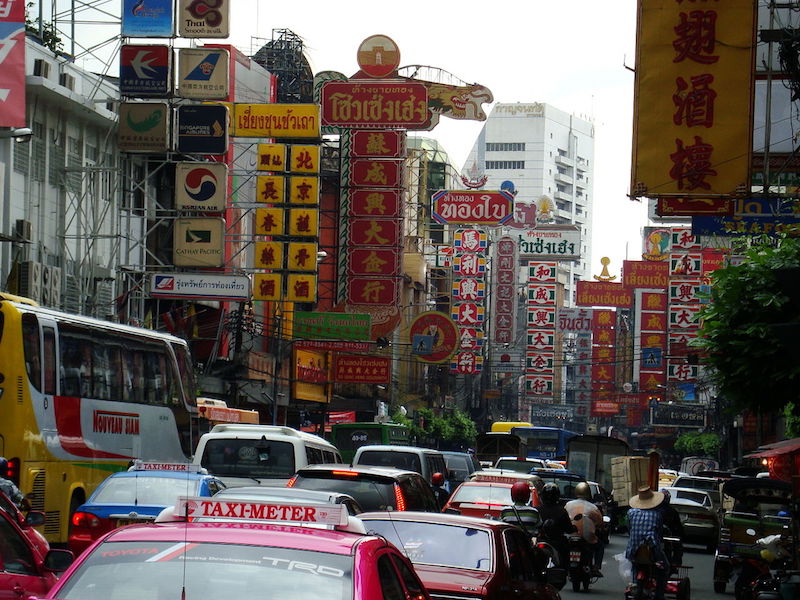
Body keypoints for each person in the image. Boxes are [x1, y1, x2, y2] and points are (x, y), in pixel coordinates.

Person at [626, 485, 668, 600]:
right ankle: (659, 595)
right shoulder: (657, 514)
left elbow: (629, 530)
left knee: (634, 564)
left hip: (633, 550)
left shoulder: (630, 513)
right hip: (652, 550)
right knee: (664, 568)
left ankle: (634, 583)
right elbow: (659, 533)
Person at [565, 481, 605, 577]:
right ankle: (596, 567)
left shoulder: (568, 505)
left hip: (569, 536)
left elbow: (564, 518)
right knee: (600, 546)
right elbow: (600, 523)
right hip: (587, 538)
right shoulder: (593, 507)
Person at [537, 482, 576, 567]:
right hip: (557, 543)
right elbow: (569, 529)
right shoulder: (561, 511)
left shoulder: (537, 510)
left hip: (541, 541)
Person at [658, 490, 683, 571]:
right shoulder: (672, 511)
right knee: (677, 545)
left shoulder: (652, 509)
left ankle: (673, 564)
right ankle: (674, 564)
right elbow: (678, 528)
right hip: (663, 537)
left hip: (664, 537)